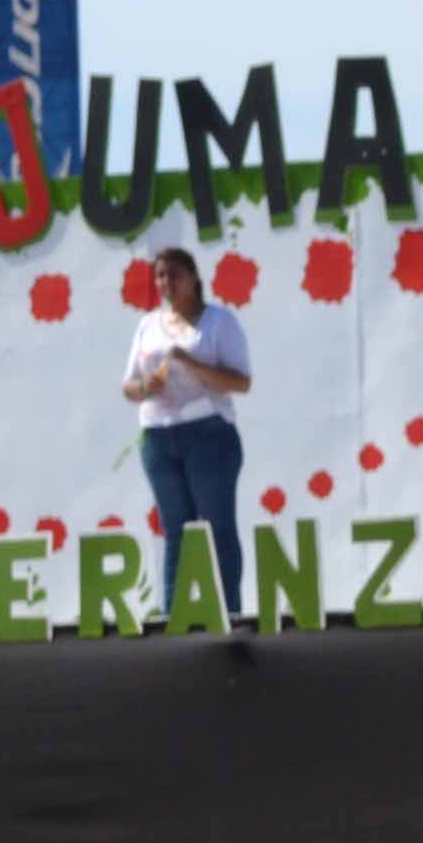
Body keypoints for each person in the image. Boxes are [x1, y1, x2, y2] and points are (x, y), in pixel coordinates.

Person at [121, 247, 253, 614]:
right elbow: (128, 387)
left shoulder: (218, 322)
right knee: (175, 530)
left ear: (194, 278)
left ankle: (229, 612)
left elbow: (241, 381)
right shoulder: (148, 325)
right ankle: (174, 616)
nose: (167, 282)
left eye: (175, 274)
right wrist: (146, 386)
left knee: (216, 527)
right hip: (158, 436)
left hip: (208, 434)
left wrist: (191, 364)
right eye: (160, 275)